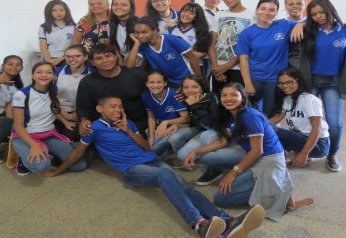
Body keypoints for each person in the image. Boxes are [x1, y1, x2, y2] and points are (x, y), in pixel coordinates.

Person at [41, 95, 265, 238]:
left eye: (119, 105)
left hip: (150, 159)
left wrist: (128, 130)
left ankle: (226, 221)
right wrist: (59, 170)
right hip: (132, 170)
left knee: (186, 187)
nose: (117, 109)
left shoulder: (126, 123)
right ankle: (199, 224)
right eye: (112, 106)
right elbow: (79, 151)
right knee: (164, 177)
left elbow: (147, 148)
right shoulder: (93, 129)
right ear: (100, 109)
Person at [184, 83, 313, 221]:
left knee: (220, 199)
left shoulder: (250, 116)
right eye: (224, 95)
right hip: (255, 157)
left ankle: (276, 191)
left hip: (268, 160)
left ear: (243, 98)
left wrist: (233, 173)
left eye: (234, 94)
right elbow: (223, 141)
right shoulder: (231, 114)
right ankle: (273, 186)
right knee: (208, 159)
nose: (228, 98)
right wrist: (196, 151)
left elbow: (257, 151)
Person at [290, 0, 346, 172]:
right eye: (314, 14)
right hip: (311, 80)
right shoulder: (308, 31)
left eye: (321, 12)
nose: (318, 17)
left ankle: (331, 155)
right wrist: (298, 74)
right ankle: (305, 150)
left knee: (334, 122)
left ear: (330, 10)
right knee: (307, 118)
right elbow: (294, 54)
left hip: (333, 82)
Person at [11, 62, 87, 175]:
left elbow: (53, 108)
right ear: (32, 75)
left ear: (54, 76)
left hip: (49, 134)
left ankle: (48, 151)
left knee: (79, 165)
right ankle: (23, 158)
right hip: (25, 136)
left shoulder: (54, 89)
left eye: (49, 72)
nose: (44, 75)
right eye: (39, 72)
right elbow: (18, 126)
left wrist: (65, 121)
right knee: (41, 166)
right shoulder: (21, 94)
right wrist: (34, 145)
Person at [177, 75, 245, 186]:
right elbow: (192, 120)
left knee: (206, 136)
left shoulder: (212, 98)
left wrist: (195, 106)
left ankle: (215, 168)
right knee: (182, 155)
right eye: (186, 87)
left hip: (218, 131)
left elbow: (212, 125)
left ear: (202, 87)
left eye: (194, 87)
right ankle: (211, 156)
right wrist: (176, 124)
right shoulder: (186, 99)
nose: (190, 90)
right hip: (201, 130)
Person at [236, 0, 298, 118]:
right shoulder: (246, 33)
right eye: (263, 9)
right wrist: (247, 83)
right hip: (255, 78)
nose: (267, 13)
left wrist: (301, 25)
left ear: (276, 12)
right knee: (249, 113)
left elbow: (309, 23)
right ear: (256, 10)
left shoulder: (284, 25)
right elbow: (243, 59)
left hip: (276, 80)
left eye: (272, 10)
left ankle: (268, 136)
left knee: (270, 114)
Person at [76, 44, 147, 136]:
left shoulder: (137, 75)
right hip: (106, 128)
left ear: (116, 57)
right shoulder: (87, 82)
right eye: (99, 58)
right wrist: (84, 120)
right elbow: (83, 107)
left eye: (108, 56)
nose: (105, 61)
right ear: (92, 62)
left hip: (138, 124)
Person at [270, 67, 330, 167]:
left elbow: (317, 128)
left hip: (319, 145)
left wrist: (304, 153)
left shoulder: (310, 100)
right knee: (267, 129)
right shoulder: (288, 99)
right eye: (281, 83)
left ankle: (279, 165)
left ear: (299, 81)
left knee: (275, 132)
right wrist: (258, 126)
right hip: (301, 137)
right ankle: (278, 159)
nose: (285, 86)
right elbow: (277, 117)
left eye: (289, 82)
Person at [125, 17, 201, 87]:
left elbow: (192, 57)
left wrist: (198, 81)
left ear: (154, 31)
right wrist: (137, 43)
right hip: (167, 82)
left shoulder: (171, 39)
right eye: (137, 33)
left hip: (187, 78)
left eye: (144, 32)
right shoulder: (142, 45)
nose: (140, 36)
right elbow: (129, 65)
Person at [208, 0, 256, 93]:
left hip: (239, 69)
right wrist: (216, 69)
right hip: (219, 70)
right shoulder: (219, 15)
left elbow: (248, 48)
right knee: (219, 104)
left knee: (238, 103)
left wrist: (225, 66)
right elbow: (212, 44)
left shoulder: (252, 16)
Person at [142, 70, 195, 157]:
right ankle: (168, 148)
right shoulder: (145, 95)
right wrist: (150, 137)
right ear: (147, 84)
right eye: (151, 82)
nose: (155, 85)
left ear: (165, 83)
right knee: (152, 149)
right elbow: (151, 116)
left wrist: (165, 122)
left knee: (173, 138)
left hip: (182, 126)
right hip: (163, 128)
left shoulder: (175, 94)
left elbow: (186, 118)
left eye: (159, 82)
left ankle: (183, 157)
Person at [54, 44, 94, 141]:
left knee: (72, 136)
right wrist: (63, 113)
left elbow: (95, 98)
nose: (72, 59)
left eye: (77, 56)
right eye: (68, 56)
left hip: (81, 114)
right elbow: (49, 96)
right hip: (57, 112)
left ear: (85, 57)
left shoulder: (93, 74)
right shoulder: (57, 72)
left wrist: (80, 114)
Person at [168, 3, 212, 76]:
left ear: (196, 17)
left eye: (191, 13)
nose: (186, 15)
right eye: (184, 11)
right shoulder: (171, 28)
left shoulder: (200, 32)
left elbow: (203, 53)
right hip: (175, 67)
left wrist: (186, 55)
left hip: (195, 67)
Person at [38, 0, 76, 67]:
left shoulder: (74, 26)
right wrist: (50, 61)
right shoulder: (43, 27)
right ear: (49, 12)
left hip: (69, 58)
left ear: (66, 11)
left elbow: (75, 45)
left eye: (61, 10)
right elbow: (43, 47)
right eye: (54, 10)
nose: (58, 13)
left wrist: (62, 57)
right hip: (50, 59)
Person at [109, 0, 140, 66]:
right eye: (115, 4)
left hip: (139, 60)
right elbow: (113, 44)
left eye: (124, 5)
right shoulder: (111, 24)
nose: (119, 7)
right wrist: (120, 61)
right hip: (123, 61)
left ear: (131, 8)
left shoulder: (140, 24)